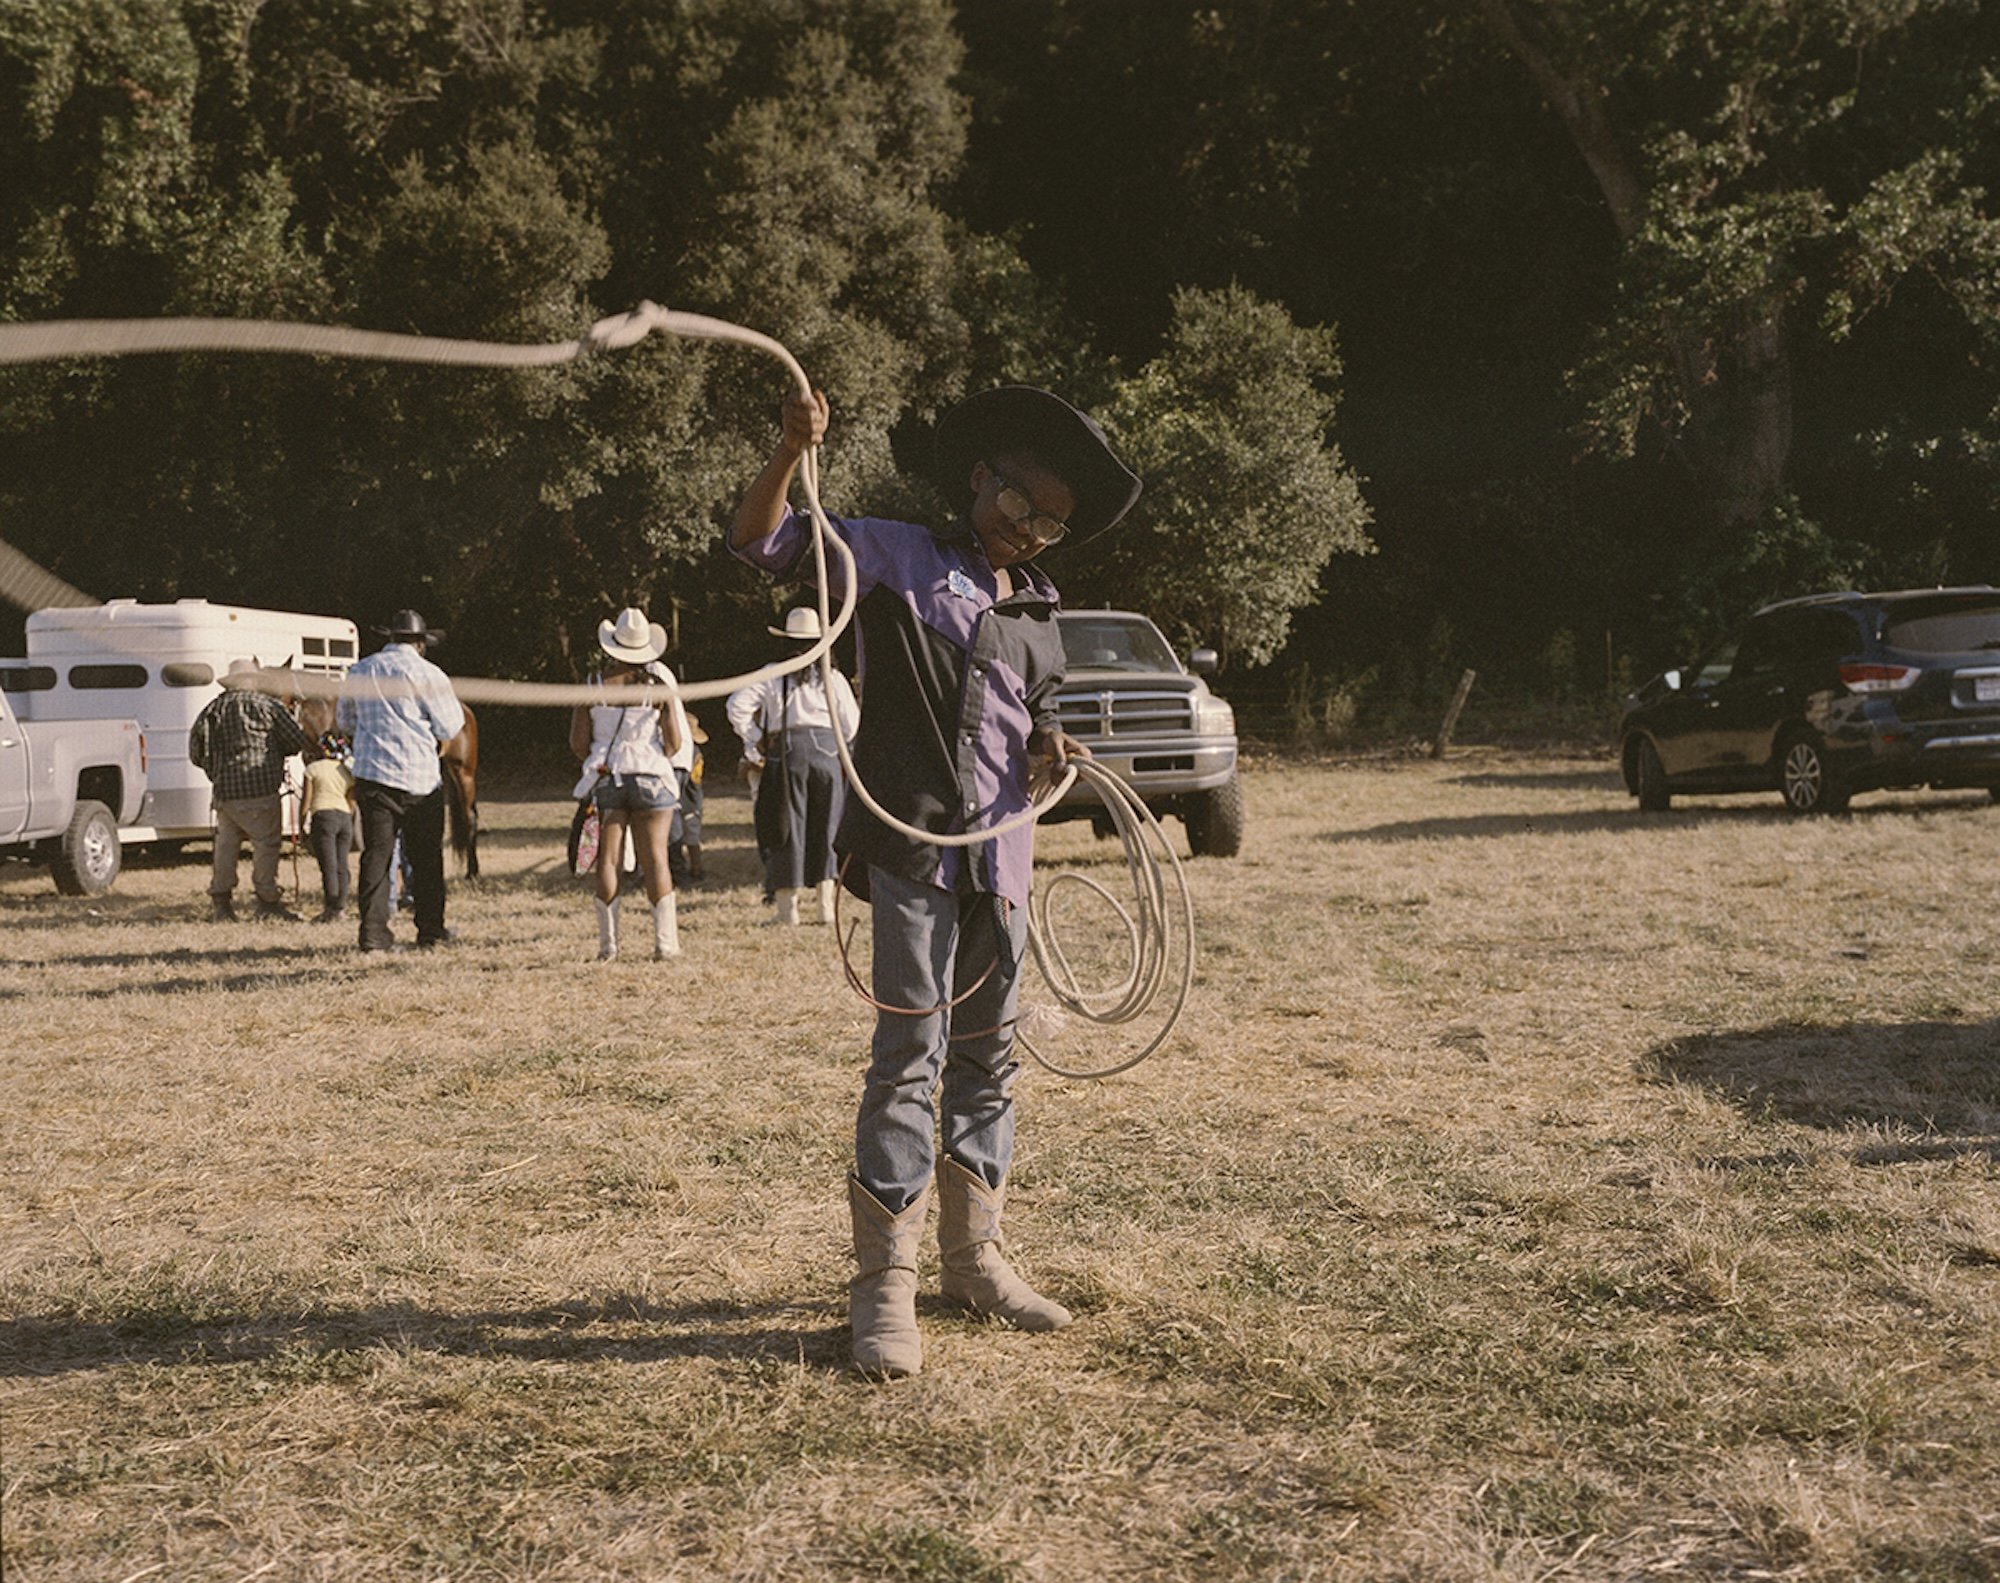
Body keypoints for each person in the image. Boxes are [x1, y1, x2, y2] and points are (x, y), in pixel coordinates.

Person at [730, 383, 1140, 1378]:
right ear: (977, 481)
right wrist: (790, 448)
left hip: (999, 862)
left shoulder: (1041, 615)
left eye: (1051, 521)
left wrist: (1052, 751)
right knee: (907, 1047)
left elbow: (1031, 720)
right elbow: (763, 539)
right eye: (1018, 505)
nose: (1031, 531)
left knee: (987, 1058)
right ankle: (883, 1285)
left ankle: (973, 1259)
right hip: (911, 848)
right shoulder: (895, 556)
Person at [337, 608, 466, 953]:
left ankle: (373, 935)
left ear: (390, 637)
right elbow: (450, 726)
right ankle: (430, 930)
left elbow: (345, 720)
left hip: (374, 777)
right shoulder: (429, 674)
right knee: (426, 859)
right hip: (420, 778)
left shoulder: (360, 671)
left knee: (376, 857)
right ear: (421, 643)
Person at [726, 607, 860, 926]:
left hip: (786, 751)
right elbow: (852, 724)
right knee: (828, 826)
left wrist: (754, 738)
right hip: (827, 752)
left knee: (786, 826)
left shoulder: (773, 672)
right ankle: (826, 907)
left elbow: (736, 705)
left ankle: (788, 910)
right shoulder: (833, 675)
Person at [569, 606, 685, 961]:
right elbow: (673, 743)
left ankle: (609, 946)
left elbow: (578, 742)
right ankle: (665, 945)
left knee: (608, 861)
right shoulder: (658, 688)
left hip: (608, 776)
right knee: (656, 860)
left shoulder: (592, 686)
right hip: (650, 774)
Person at [187, 657, 318, 922]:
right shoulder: (268, 706)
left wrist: (216, 771)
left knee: (225, 849)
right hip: (260, 789)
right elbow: (296, 741)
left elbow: (195, 751)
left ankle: (222, 904)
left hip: (224, 794)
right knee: (265, 847)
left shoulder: (212, 709)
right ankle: (267, 902)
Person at [301, 731, 358, 923]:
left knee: (329, 866)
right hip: (344, 818)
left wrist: (301, 825)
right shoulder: (346, 771)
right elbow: (351, 800)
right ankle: (341, 907)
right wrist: (347, 817)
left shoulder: (313, 769)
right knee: (342, 865)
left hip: (323, 816)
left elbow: (306, 800)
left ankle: (330, 909)